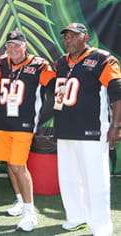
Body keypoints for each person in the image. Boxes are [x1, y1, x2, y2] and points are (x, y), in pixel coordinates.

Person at [54, 23, 121, 235]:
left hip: (91, 130)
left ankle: (101, 224)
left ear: (85, 37)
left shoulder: (102, 59)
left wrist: (116, 126)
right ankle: (76, 216)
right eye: (66, 37)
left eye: (73, 36)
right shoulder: (61, 63)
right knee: (69, 177)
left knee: (95, 178)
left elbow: (117, 95)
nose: (68, 41)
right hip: (65, 129)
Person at [0, 30, 54, 231]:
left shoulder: (39, 64)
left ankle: (30, 212)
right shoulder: (2, 62)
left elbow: (56, 87)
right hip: (2, 123)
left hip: (23, 125)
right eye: (9, 45)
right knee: (10, 165)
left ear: (25, 45)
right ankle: (20, 201)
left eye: (16, 45)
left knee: (19, 166)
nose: (13, 49)